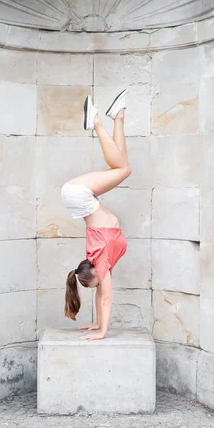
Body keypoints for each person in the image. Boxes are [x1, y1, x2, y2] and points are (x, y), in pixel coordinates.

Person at [62, 89, 131, 341]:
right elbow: (102, 295)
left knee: (124, 169)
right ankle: (118, 115)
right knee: (121, 165)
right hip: (78, 196)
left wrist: (103, 332)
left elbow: (106, 297)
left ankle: (97, 121)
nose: (99, 287)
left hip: (80, 195)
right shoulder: (97, 259)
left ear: (95, 274)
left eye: (95, 284)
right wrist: (97, 323)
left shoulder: (101, 262)